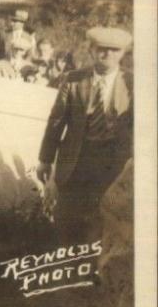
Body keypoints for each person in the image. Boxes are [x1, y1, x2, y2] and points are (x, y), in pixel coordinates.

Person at [37, 26, 133, 243]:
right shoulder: (73, 80)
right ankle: (66, 266)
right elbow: (56, 123)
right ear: (91, 49)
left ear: (122, 53)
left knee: (103, 220)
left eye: (114, 50)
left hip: (113, 164)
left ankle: (95, 270)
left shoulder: (132, 85)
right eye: (101, 49)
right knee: (68, 219)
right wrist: (45, 160)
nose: (107, 54)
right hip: (76, 160)